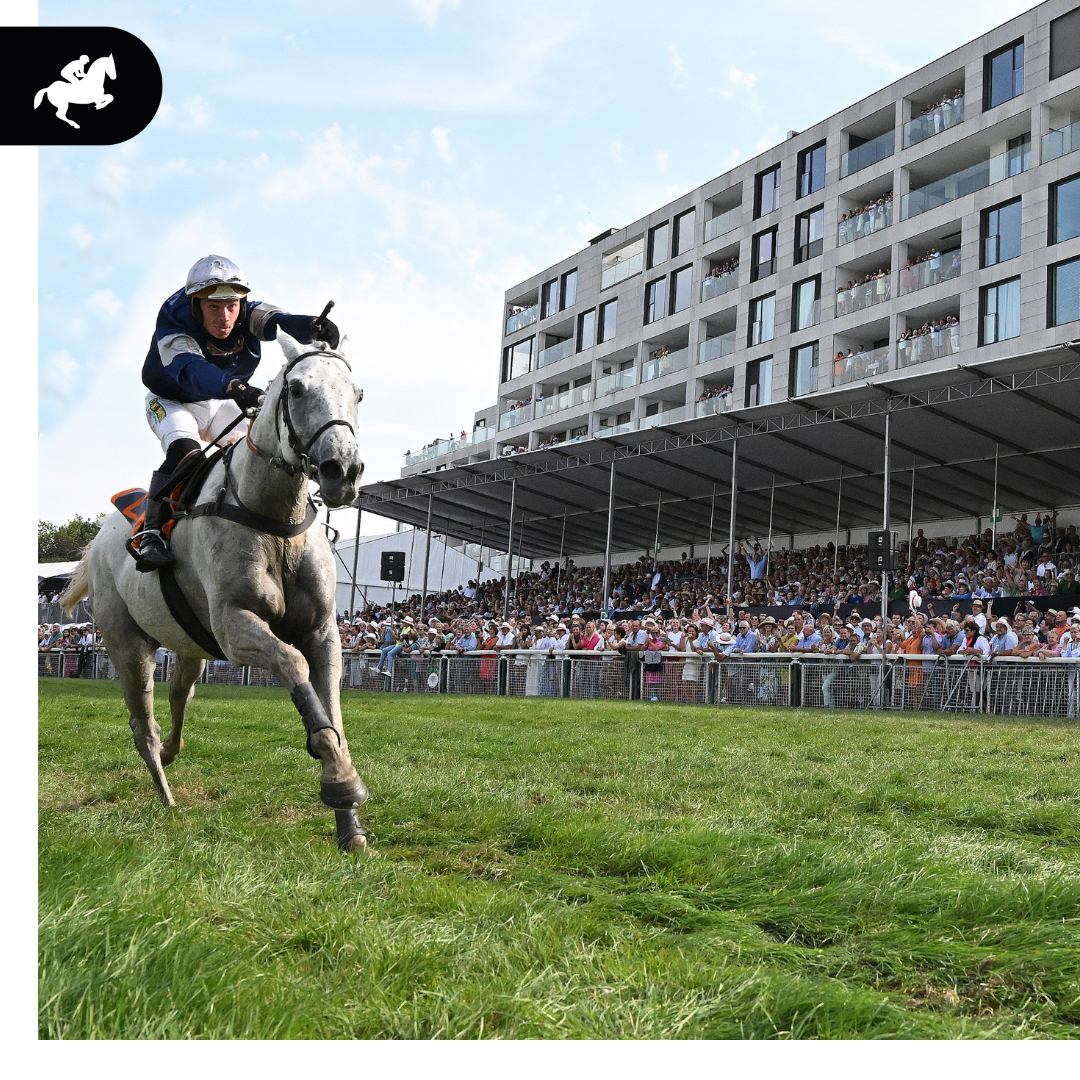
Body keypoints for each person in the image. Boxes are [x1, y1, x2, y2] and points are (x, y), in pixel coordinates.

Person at [135, 255, 340, 570]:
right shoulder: (173, 321)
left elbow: (278, 322)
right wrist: (232, 387)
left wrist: (312, 326)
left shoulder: (248, 312)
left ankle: (301, 513)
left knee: (267, 445)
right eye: (213, 307)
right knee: (186, 453)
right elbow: (191, 370)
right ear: (195, 306)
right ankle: (150, 533)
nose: (224, 318)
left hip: (221, 399)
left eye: (232, 306)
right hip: (172, 400)